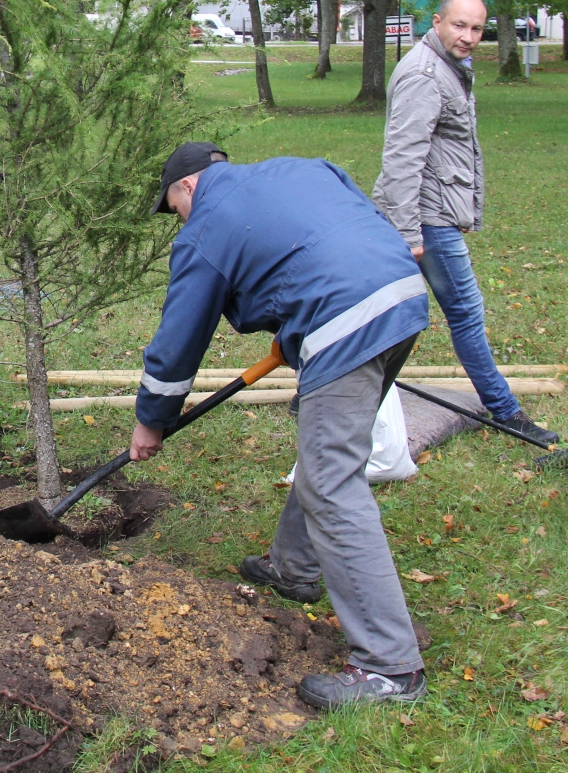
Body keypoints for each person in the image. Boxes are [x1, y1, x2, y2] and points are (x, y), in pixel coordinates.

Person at [131, 143, 430, 709]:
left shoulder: (203, 229)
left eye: (173, 207)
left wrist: (152, 421)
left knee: (330, 483)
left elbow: (177, 348)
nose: (178, 221)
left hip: (347, 320)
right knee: (329, 457)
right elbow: (336, 231)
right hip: (402, 295)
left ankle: (390, 666)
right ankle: (293, 568)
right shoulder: (302, 166)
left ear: (188, 187)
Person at [371, 0, 557, 443]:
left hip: (432, 212)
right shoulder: (424, 75)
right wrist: (408, 232)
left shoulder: (449, 66)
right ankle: (506, 410)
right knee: (465, 314)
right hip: (425, 218)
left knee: (397, 314)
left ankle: (329, 390)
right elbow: (402, 158)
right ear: (437, 21)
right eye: (460, 25)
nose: (469, 36)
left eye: (477, 28)